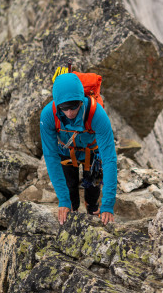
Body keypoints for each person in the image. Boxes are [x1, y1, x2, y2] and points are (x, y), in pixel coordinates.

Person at [40, 73, 117, 225]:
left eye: (74, 105)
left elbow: (109, 159)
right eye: (64, 107)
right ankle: (73, 208)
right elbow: (50, 156)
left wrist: (108, 204)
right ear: (57, 104)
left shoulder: (97, 114)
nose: (69, 113)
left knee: (93, 189)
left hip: (93, 154)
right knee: (70, 187)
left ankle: (92, 207)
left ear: (81, 100)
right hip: (66, 153)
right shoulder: (48, 115)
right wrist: (63, 200)